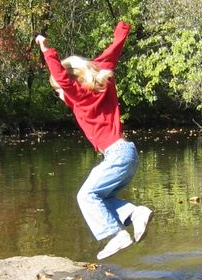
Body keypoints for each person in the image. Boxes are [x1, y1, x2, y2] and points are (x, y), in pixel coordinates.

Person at [35, 21, 152, 260]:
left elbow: (63, 79)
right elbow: (111, 54)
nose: (60, 95)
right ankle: (134, 214)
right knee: (101, 198)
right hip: (127, 154)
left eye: (58, 90)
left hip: (117, 154)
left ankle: (116, 235)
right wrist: (122, 30)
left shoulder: (81, 95)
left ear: (71, 82)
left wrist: (46, 49)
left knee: (86, 196)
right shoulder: (101, 80)